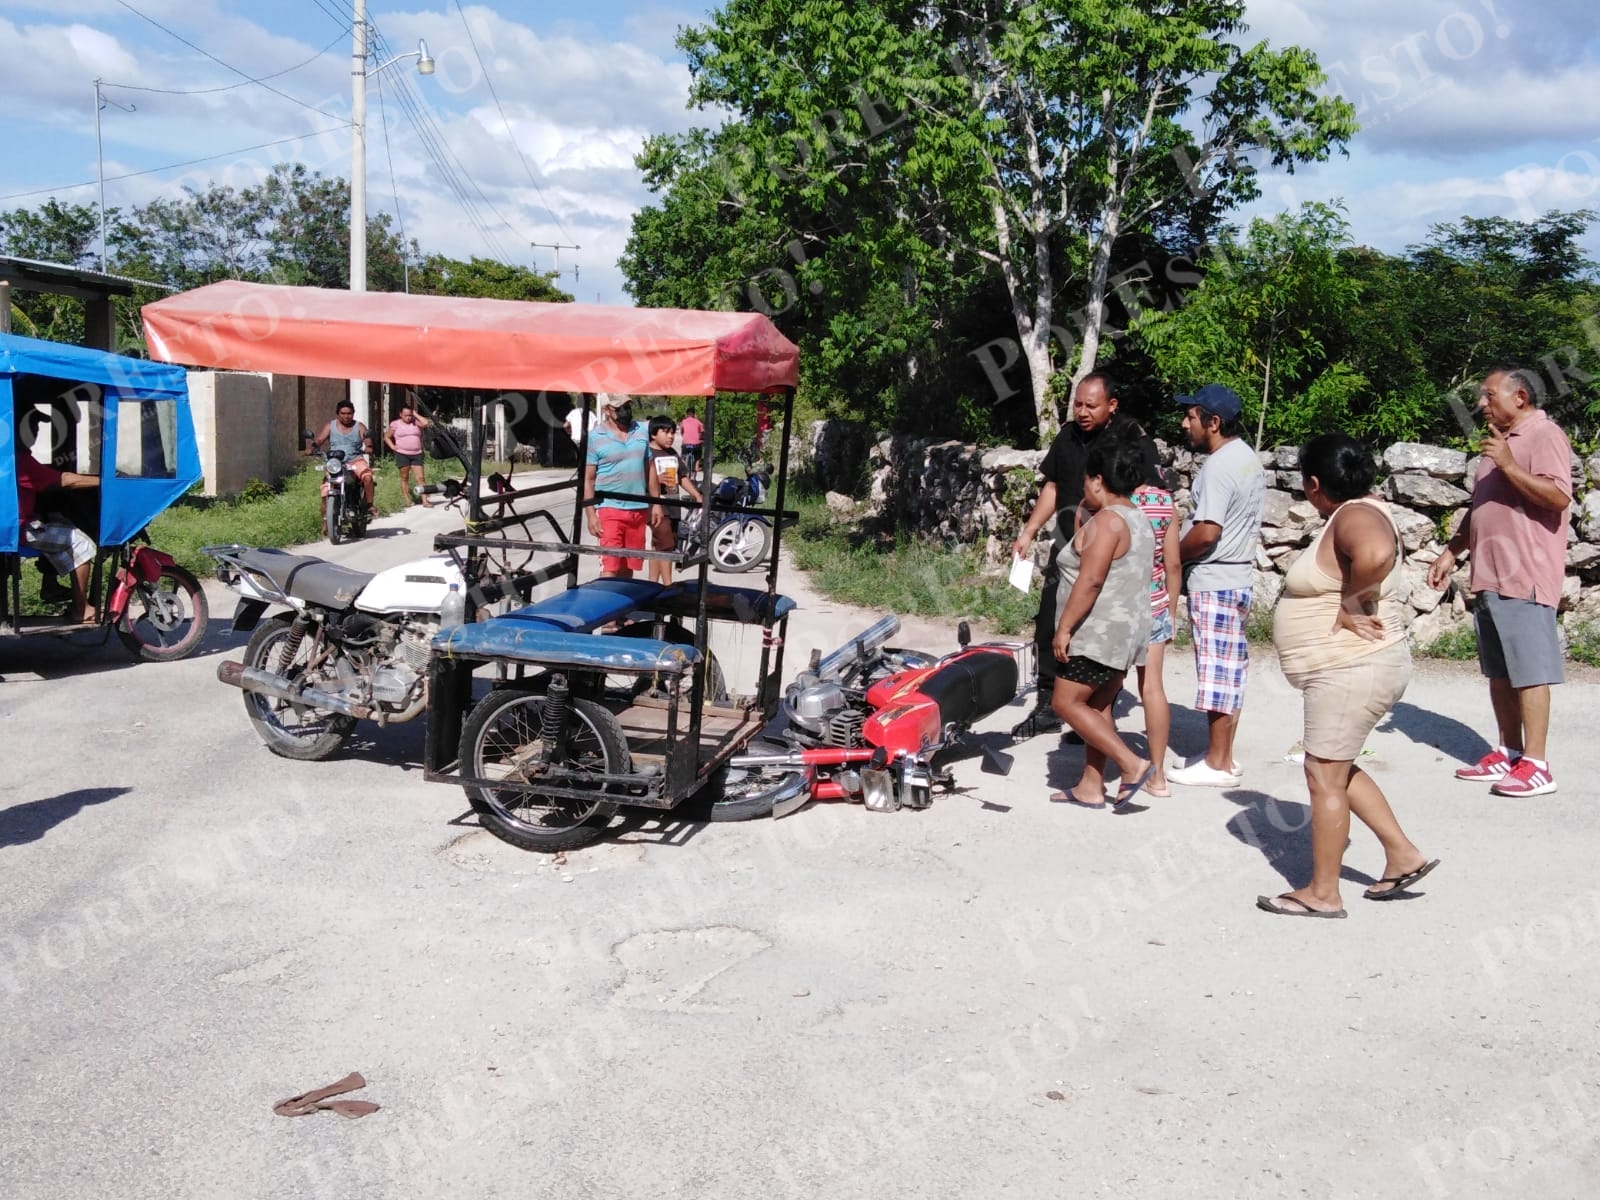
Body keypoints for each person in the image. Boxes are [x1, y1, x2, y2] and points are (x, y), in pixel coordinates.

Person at [1258, 433, 1439, 918]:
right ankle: (1402, 853)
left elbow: (1376, 555)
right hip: (1353, 668)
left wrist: (1349, 603)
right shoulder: (1359, 511)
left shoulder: (1355, 515)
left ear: (1314, 483)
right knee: (1335, 766)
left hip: (1351, 667)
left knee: (1322, 774)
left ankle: (1323, 893)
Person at [1426, 366, 1574, 797]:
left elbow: (1558, 496)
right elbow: (1483, 505)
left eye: (1489, 396)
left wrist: (1508, 464)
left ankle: (1538, 765)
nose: (1480, 404)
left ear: (1520, 398)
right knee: (1500, 672)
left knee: (1530, 671)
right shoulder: (1499, 444)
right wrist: (1453, 550)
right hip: (1488, 574)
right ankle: (1509, 752)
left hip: (1523, 572)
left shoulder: (1545, 436)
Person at [1010, 372, 1163, 737]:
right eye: (1078, 403)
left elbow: (1150, 498)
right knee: (1050, 622)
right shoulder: (1067, 436)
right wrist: (1029, 530)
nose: (1082, 411)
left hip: (1112, 554)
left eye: (1090, 405)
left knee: (1097, 631)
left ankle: (1092, 714)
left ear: (1111, 405)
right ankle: (1049, 704)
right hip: (1067, 548)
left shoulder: (1132, 442)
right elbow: (1053, 484)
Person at [1047, 436, 1158, 809]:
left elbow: (1090, 580)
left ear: (1097, 480)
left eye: (1085, 481)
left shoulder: (1108, 522)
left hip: (1097, 634)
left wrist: (1063, 628)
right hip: (1126, 634)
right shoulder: (1138, 519)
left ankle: (1131, 764)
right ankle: (1090, 786)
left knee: (1066, 703)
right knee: (1098, 708)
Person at [1167, 384, 1266, 789]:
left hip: (1216, 578)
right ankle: (1224, 756)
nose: (1184, 423)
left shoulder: (1219, 466)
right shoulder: (1247, 459)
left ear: (1214, 422)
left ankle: (1216, 763)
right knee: (1230, 671)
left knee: (1216, 673)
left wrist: (1170, 554)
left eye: (1191, 416)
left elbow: (1206, 532)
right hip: (1236, 577)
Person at [1130, 464, 1182, 798]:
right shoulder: (1166, 503)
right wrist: (1172, 610)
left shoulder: (1116, 501)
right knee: (1153, 688)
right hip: (1156, 605)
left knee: (1104, 689)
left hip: (1119, 609)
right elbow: (1174, 563)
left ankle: (1111, 768)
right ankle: (1158, 775)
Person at [15, 446, 99, 622]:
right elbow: (64, 480)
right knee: (81, 542)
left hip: (15, 524)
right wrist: (105, 480)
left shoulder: (9, 457)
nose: (34, 432)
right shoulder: (20, 460)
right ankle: (81, 609)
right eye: (32, 426)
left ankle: (50, 587)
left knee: (58, 523)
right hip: (18, 529)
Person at [583, 394, 660, 579]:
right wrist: (591, 514)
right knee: (610, 568)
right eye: (619, 408)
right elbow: (589, 479)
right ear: (606, 410)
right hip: (609, 509)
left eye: (627, 406)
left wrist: (656, 503)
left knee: (628, 567)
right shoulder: (595, 437)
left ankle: (626, 608)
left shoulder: (641, 431)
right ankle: (606, 606)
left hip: (638, 509)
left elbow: (650, 469)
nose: (625, 411)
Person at [645, 415, 703, 585]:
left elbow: (682, 476)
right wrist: (656, 480)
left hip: (673, 505)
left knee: (659, 545)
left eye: (673, 432)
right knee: (666, 545)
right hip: (654, 506)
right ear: (653, 434)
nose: (670, 436)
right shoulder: (647, 454)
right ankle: (668, 587)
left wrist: (697, 494)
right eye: (666, 432)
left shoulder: (672, 453)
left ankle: (652, 584)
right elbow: (641, 480)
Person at [313, 401, 375, 515]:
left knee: (368, 478)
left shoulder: (359, 426)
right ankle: (325, 522)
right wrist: (312, 448)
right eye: (343, 413)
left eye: (349, 413)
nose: (346, 416)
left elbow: (367, 440)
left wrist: (369, 447)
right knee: (325, 489)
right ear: (338, 414)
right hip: (336, 463)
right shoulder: (330, 426)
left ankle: (370, 505)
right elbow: (320, 440)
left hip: (355, 460)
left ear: (353, 413)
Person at [383, 402, 432, 506]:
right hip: (402, 454)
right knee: (404, 477)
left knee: (421, 478)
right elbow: (387, 437)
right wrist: (393, 446)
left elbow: (426, 423)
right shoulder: (395, 424)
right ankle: (407, 499)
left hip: (417, 453)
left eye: (410, 415)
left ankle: (425, 500)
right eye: (406, 415)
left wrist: (415, 414)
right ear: (400, 414)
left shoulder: (416, 422)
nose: (408, 418)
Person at [679, 406, 705, 479]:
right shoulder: (698, 422)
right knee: (698, 455)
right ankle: (696, 467)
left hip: (685, 444)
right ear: (694, 414)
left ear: (686, 414)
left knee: (683, 456)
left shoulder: (683, 422)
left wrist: (685, 437)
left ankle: (684, 467)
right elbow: (702, 432)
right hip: (696, 444)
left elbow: (681, 431)